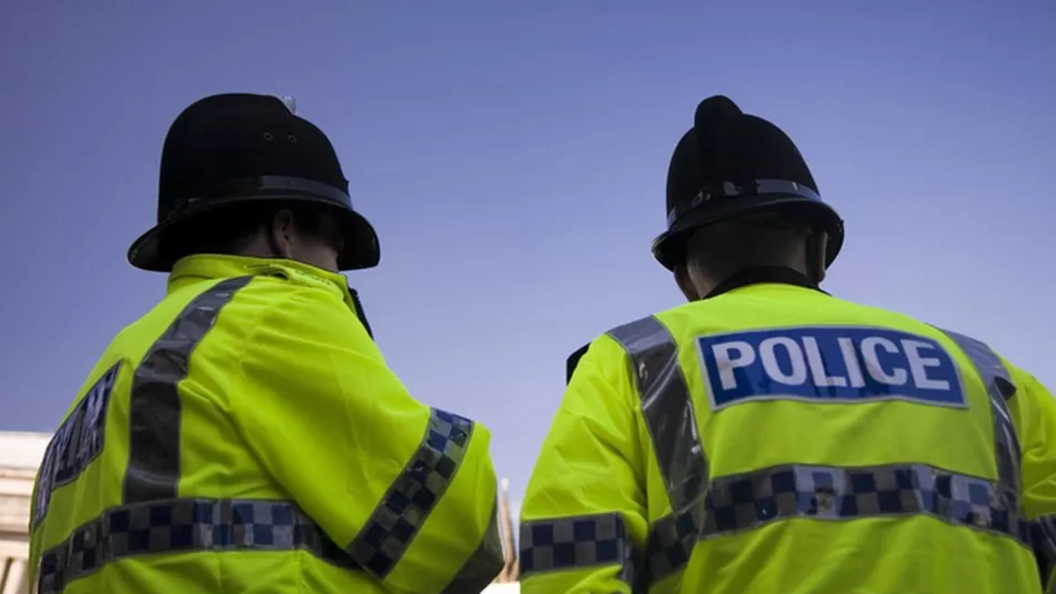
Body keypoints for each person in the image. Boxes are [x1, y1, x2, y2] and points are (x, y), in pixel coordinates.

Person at [518, 95, 1056, 594]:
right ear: (820, 248)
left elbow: (569, 564)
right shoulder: (988, 373)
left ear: (683, 278)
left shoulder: (632, 362)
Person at [27, 93, 504, 594]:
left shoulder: (106, 381)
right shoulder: (271, 314)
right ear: (285, 233)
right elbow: (461, 535)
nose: (337, 269)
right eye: (336, 247)